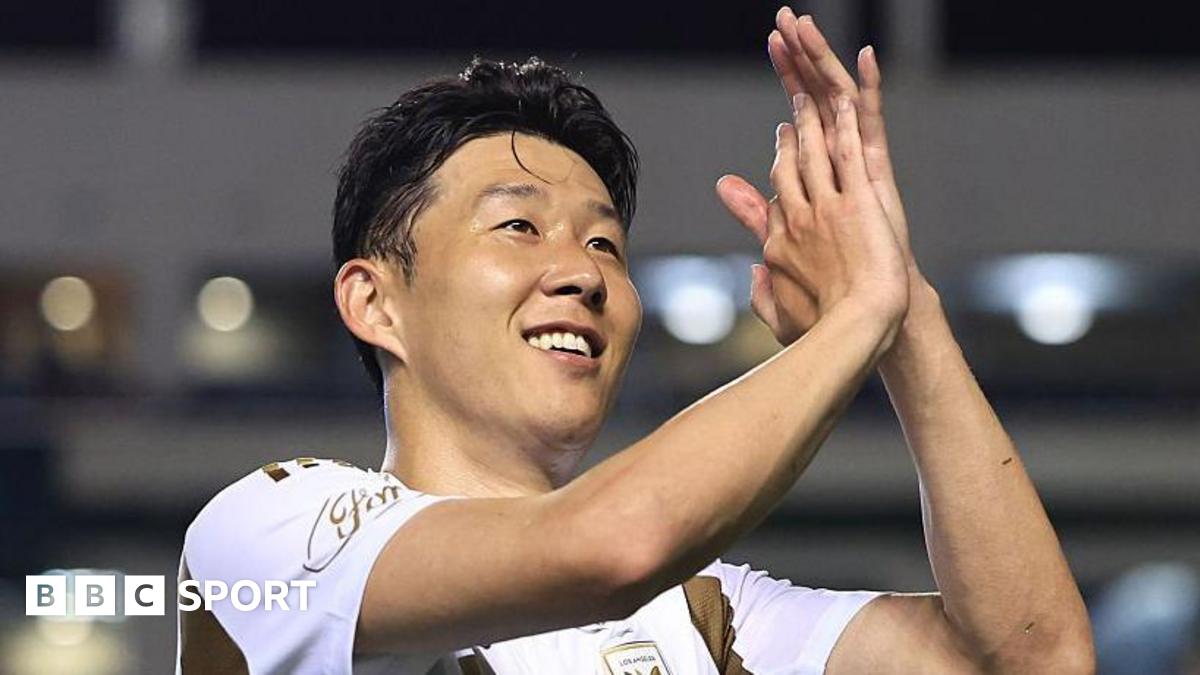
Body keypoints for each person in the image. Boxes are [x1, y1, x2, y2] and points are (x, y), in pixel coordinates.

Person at [176, 8, 1094, 674]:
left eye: (605, 243)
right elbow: (611, 544)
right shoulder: (267, 533)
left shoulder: (700, 608)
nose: (582, 273)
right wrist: (859, 314)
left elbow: (1035, 657)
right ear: (374, 302)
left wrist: (907, 316)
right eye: (518, 226)